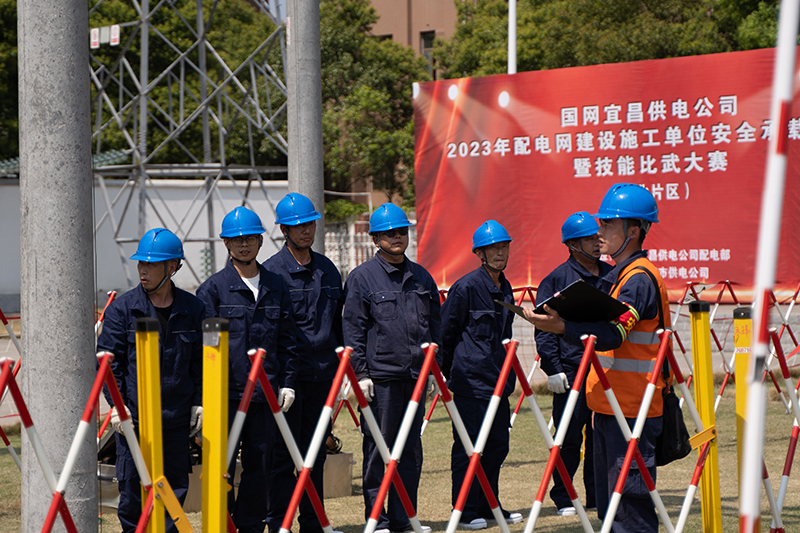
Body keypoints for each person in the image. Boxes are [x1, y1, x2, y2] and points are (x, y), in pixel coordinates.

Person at [524, 183, 669, 533]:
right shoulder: (619, 276)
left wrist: (563, 326)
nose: (599, 231)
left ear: (633, 231)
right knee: (610, 509)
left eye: (607, 225)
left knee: (629, 510)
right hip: (610, 405)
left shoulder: (638, 280)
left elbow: (615, 333)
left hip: (632, 406)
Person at [196, 206, 298, 533]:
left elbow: (288, 339)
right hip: (224, 396)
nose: (244, 245)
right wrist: (202, 398)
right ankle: (221, 526)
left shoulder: (276, 286)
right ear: (226, 244)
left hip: (264, 395)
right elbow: (203, 352)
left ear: (260, 241)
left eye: (251, 238)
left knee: (260, 468)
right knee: (220, 468)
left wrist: (287, 383)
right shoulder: (212, 291)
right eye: (237, 240)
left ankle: (250, 526)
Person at [98, 228, 204, 533]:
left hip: (175, 420)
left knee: (172, 495)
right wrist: (117, 406)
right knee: (133, 497)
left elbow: (199, 362)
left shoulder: (192, 309)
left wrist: (198, 402)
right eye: (140, 263)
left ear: (172, 267)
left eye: (152, 264)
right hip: (135, 421)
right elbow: (108, 365)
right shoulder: (122, 310)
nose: (143, 270)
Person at [342, 203, 441, 533]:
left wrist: (434, 371)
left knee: (410, 451)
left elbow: (435, 328)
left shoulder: (422, 277)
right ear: (375, 238)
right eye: (389, 233)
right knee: (378, 448)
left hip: (415, 377)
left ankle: (404, 518)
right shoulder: (361, 279)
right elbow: (353, 330)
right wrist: (360, 375)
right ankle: (377, 518)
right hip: (380, 379)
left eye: (402, 232)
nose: (397, 238)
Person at [263, 193, 344, 533]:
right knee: (281, 457)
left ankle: (313, 523)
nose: (305, 231)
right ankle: (278, 522)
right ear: (283, 229)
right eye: (297, 226)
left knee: (316, 456)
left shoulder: (327, 269)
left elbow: (337, 323)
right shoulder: (271, 273)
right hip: (287, 380)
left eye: (309, 223)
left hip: (323, 375)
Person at [439, 220, 523, 530]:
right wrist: (444, 376)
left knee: (498, 444)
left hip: (498, 382)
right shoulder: (466, 288)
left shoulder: (505, 286)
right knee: (468, 447)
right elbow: (446, 333)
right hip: (469, 382)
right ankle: (464, 509)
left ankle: (489, 505)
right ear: (480, 253)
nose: (500, 253)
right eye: (493, 248)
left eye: (504, 247)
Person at [534, 212, 612, 517]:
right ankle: (564, 497)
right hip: (569, 372)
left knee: (600, 436)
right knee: (568, 438)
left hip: (604, 371)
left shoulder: (612, 275)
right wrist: (552, 369)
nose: (598, 243)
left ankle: (596, 496)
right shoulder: (556, 280)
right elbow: (543, 328)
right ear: (572, 244)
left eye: (598, 237)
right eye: (590, 239)